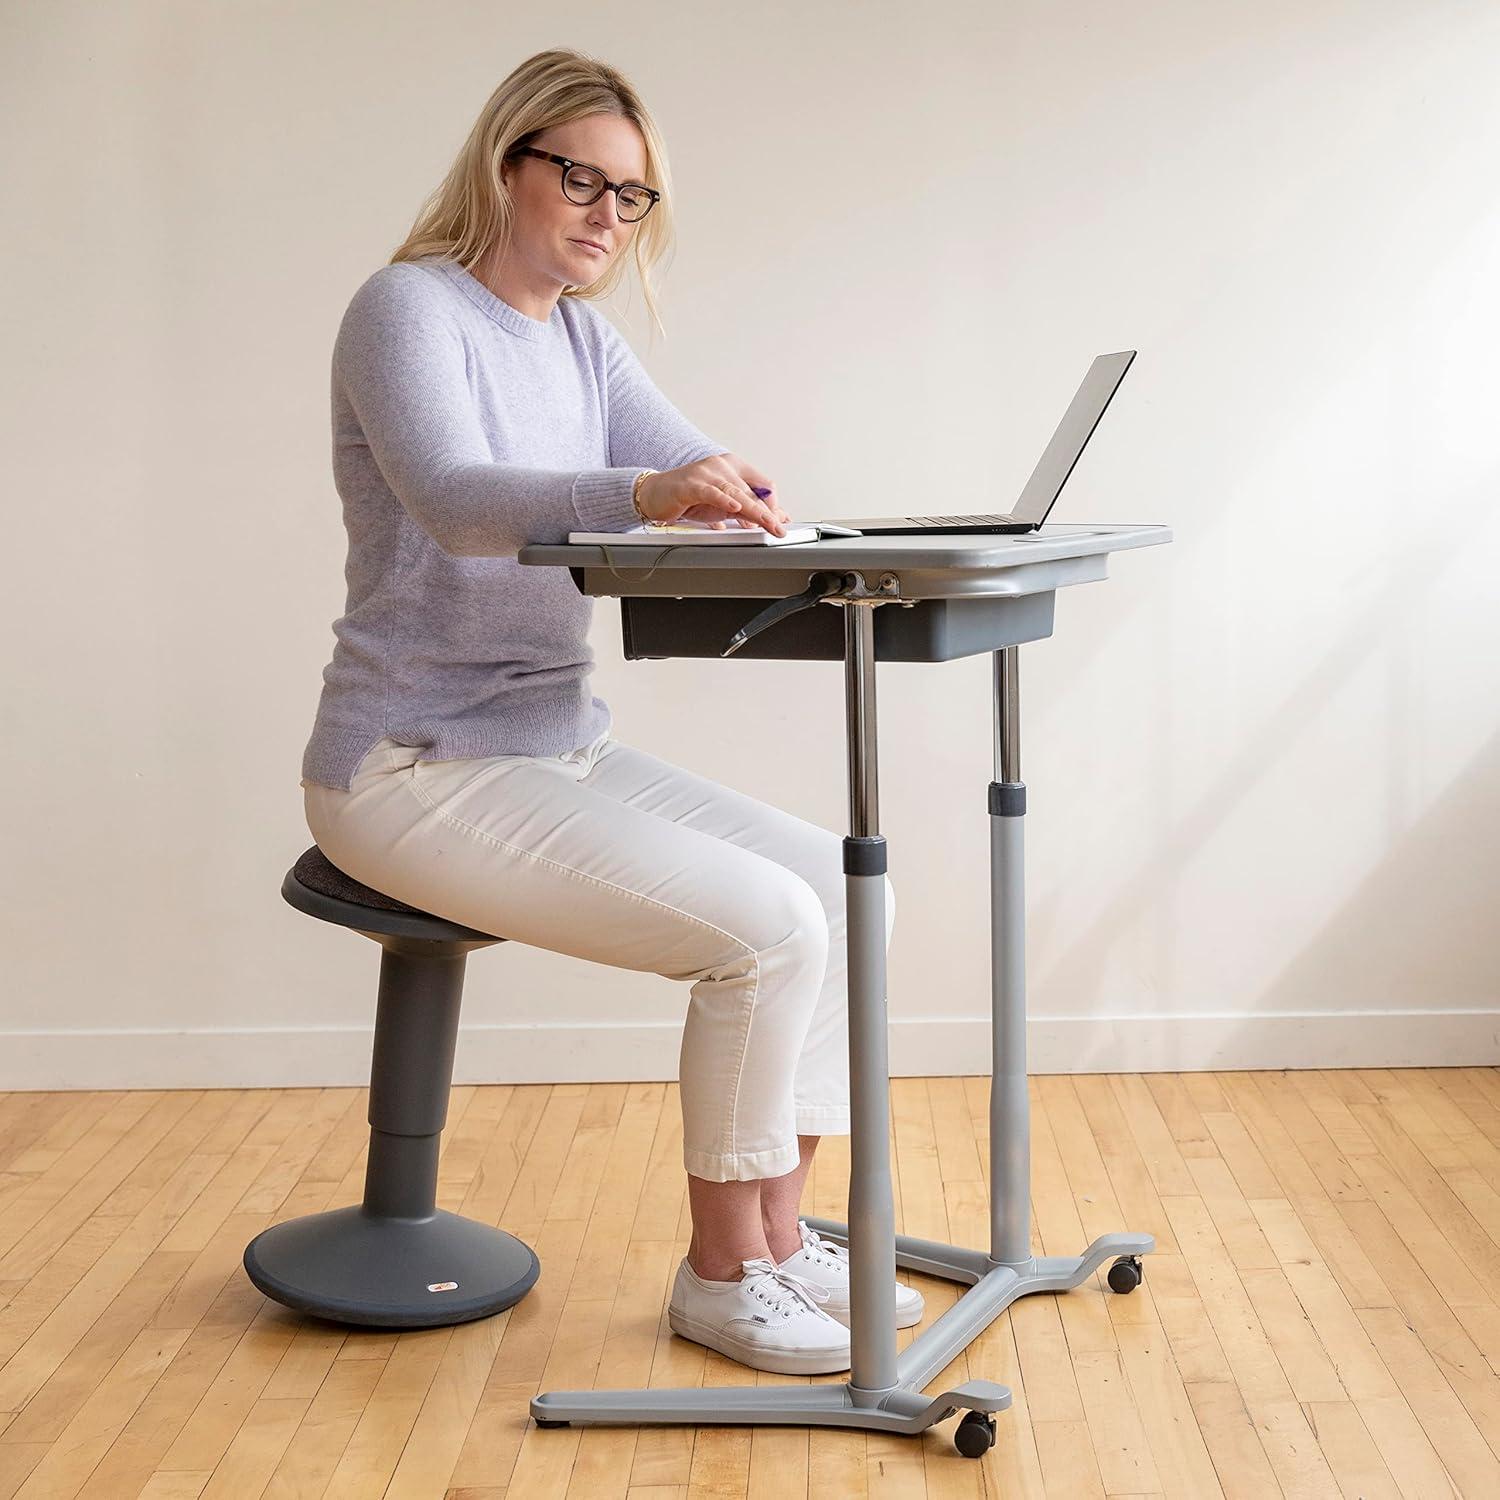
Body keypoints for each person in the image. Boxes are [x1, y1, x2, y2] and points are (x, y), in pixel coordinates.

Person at [298, 46, 921, 1375]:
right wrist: (650, 492)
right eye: (580, 178)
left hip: (553, 744)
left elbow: (682, 463)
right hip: (408, 766)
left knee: (833, 882)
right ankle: (722, 1274)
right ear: (503, 165)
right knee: (762, 927)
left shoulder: (580, 335)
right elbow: (464, 499)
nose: (603, 214)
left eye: (630, 197)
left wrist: (744, 504)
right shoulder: (408, 310)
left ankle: (778, 1231)